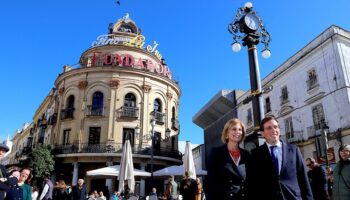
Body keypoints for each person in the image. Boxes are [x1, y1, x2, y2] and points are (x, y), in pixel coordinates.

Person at [245, 116, 313, 200]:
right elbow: (251, 184)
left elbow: (303, 179)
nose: (273, 130)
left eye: (275, 127)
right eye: (269, 128)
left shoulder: (294, 150)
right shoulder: (255, 155)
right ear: (262, 133)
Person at [207, 118, 250, 200]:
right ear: (226, 134)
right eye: (234, 129)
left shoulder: (246, 154)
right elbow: (210, 183)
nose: (238, 132)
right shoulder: (216, 153)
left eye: (240, 130)